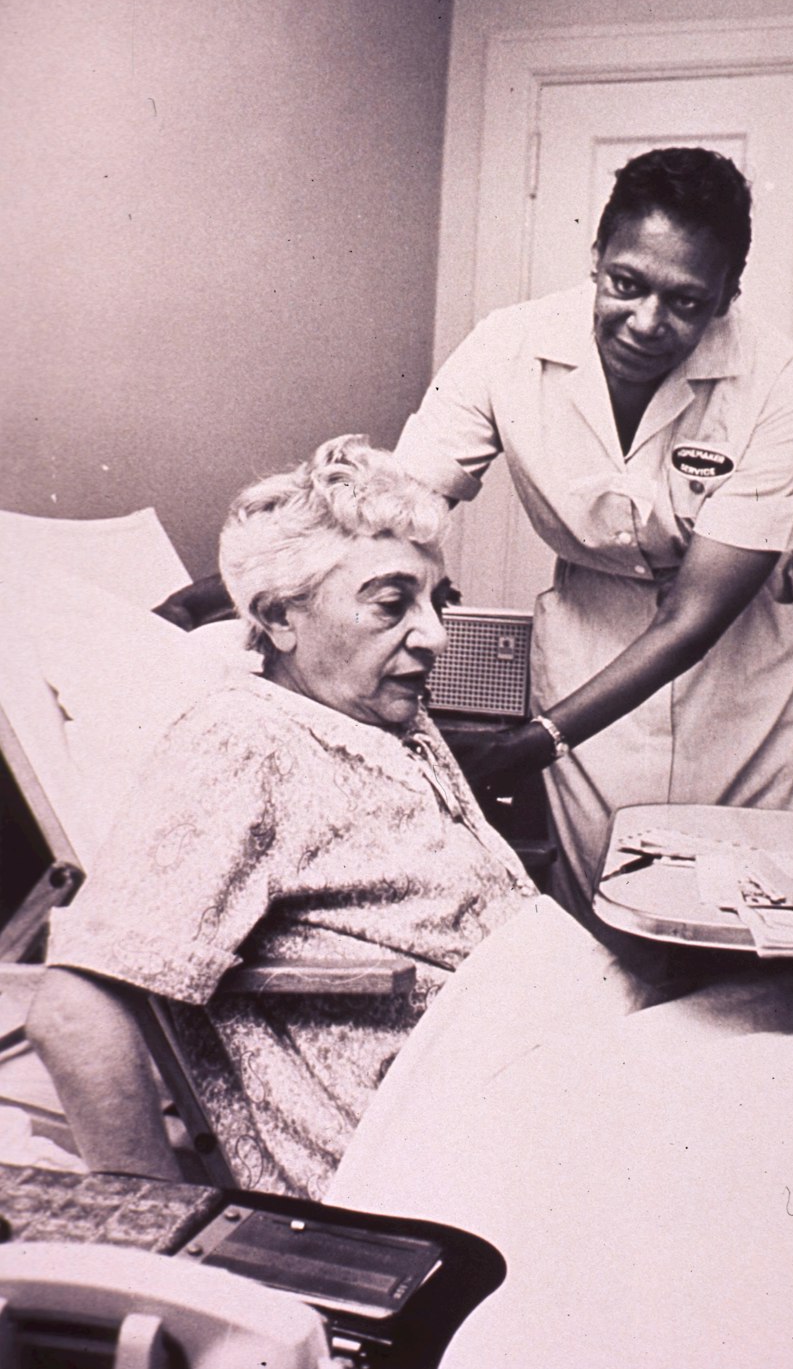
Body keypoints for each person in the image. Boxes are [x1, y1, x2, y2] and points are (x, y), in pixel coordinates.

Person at [27, 437, 648, 1200]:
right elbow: (73, 1008)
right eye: (393, 604)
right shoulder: (245, 744)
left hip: (559, 1088)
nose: (435, 634)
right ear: (281, 619)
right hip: (446, 1152)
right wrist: (156, 1227)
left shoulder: (390, 716)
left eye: (435, 600)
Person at [393, 146, 793, 913]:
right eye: (625, 283)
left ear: (728, 296)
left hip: (748, 663)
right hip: (592, 636)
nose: (646, 322)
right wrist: (246, 581)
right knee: (601, 908)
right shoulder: (509, 346)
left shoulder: (779, 377)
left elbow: (695, 618)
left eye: (686, 302)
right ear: (597, 257)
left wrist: (531, 744)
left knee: (761, 912)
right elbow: (395, 505)